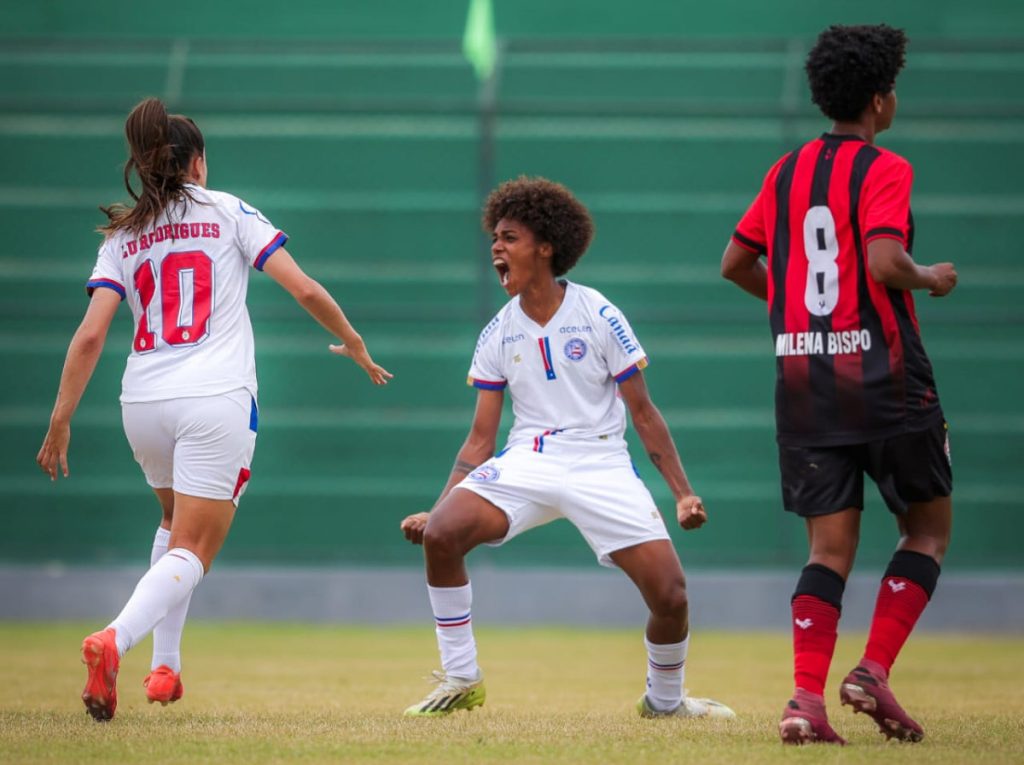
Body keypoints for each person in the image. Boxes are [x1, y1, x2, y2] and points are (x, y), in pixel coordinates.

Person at [36, 97, 392, 722]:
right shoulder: (227, 210)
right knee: (194, 550)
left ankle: (164, 669)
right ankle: (114, 640)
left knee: (174, 527)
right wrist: (355, 343)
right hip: (215, 397)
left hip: (141, 401)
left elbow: (90, 335)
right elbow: (304, 286)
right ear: (196, 161)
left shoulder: (125, 233)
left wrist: (60, 418)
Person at [399, 176, 735, 721]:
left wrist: (683, 493)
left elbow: (643, 412)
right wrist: (437, 506)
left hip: (600, 461)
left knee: (671, 596)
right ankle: (462, 678)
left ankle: (666, 703)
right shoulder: (495, 334)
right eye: (494, 240)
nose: (497, 250)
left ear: (547, 246)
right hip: (528, 459)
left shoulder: (599, 313)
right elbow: (481, 439)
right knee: (441, 534)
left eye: (509, 238)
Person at [720, 25, 957, 745]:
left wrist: (795, 311)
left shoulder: (785, 171)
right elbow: (885, 262)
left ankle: (804, 701)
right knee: (926, 529)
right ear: (881, 101)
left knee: (827, 551)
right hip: (886, 380)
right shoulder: (884, 167)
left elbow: (734, 261)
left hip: (804, 383)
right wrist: (929, 276)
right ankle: (873, 669)